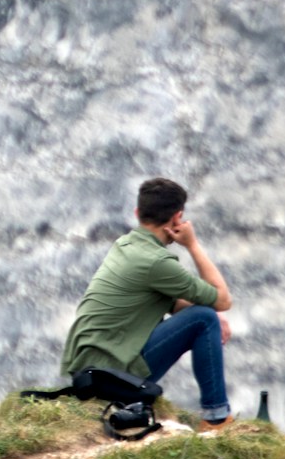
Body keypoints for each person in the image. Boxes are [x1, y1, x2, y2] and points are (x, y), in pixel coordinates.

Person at [59, 177, 236, 431]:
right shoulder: (157, 262)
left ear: (137, 213)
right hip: (112, 376)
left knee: (206, 316)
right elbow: (223, 299)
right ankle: (216, 419)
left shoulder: (126, 245)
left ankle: (216, 416)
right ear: (177, 218)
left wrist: (211, 315)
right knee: (205, 318)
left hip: (89, 372)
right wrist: (193, 244)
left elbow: (174, 303)